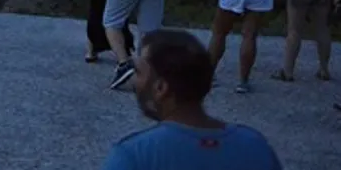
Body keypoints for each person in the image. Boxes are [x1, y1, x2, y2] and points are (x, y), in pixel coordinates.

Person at [100, 29, 283, 170]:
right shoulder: (255, 146)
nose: (134, 81)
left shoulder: (133, 156)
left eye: (138, 72)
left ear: (161, 88)